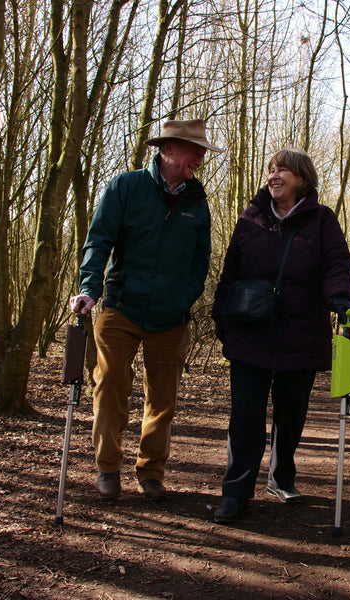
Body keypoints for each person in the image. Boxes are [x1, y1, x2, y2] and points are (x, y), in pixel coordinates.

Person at [70, 119, 224, 502]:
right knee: (109, 386)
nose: (201, 157)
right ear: (168, 149)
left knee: (163, 399)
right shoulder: (126, 187)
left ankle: (151, 472)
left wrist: (185, 297)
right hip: (121, 307)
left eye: (203, 151)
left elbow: (200, 258)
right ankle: (108, 468)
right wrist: (89, 289)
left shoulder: (197, 200)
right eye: (195, 150)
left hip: (171, 318)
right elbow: (98, 241)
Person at [211, 148, 350, 524]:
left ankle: (281, 476)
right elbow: (231, 272)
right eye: (271, 170)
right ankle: (236, 492)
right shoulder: (251, 219)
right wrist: (220, 315)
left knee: (291, 414)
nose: (274, 176)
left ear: (302, 179)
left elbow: (337, 261)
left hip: (300, 331)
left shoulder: (322, 220)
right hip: (250, 330)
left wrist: (339, 296)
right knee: (245, 416)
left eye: (283, 171)